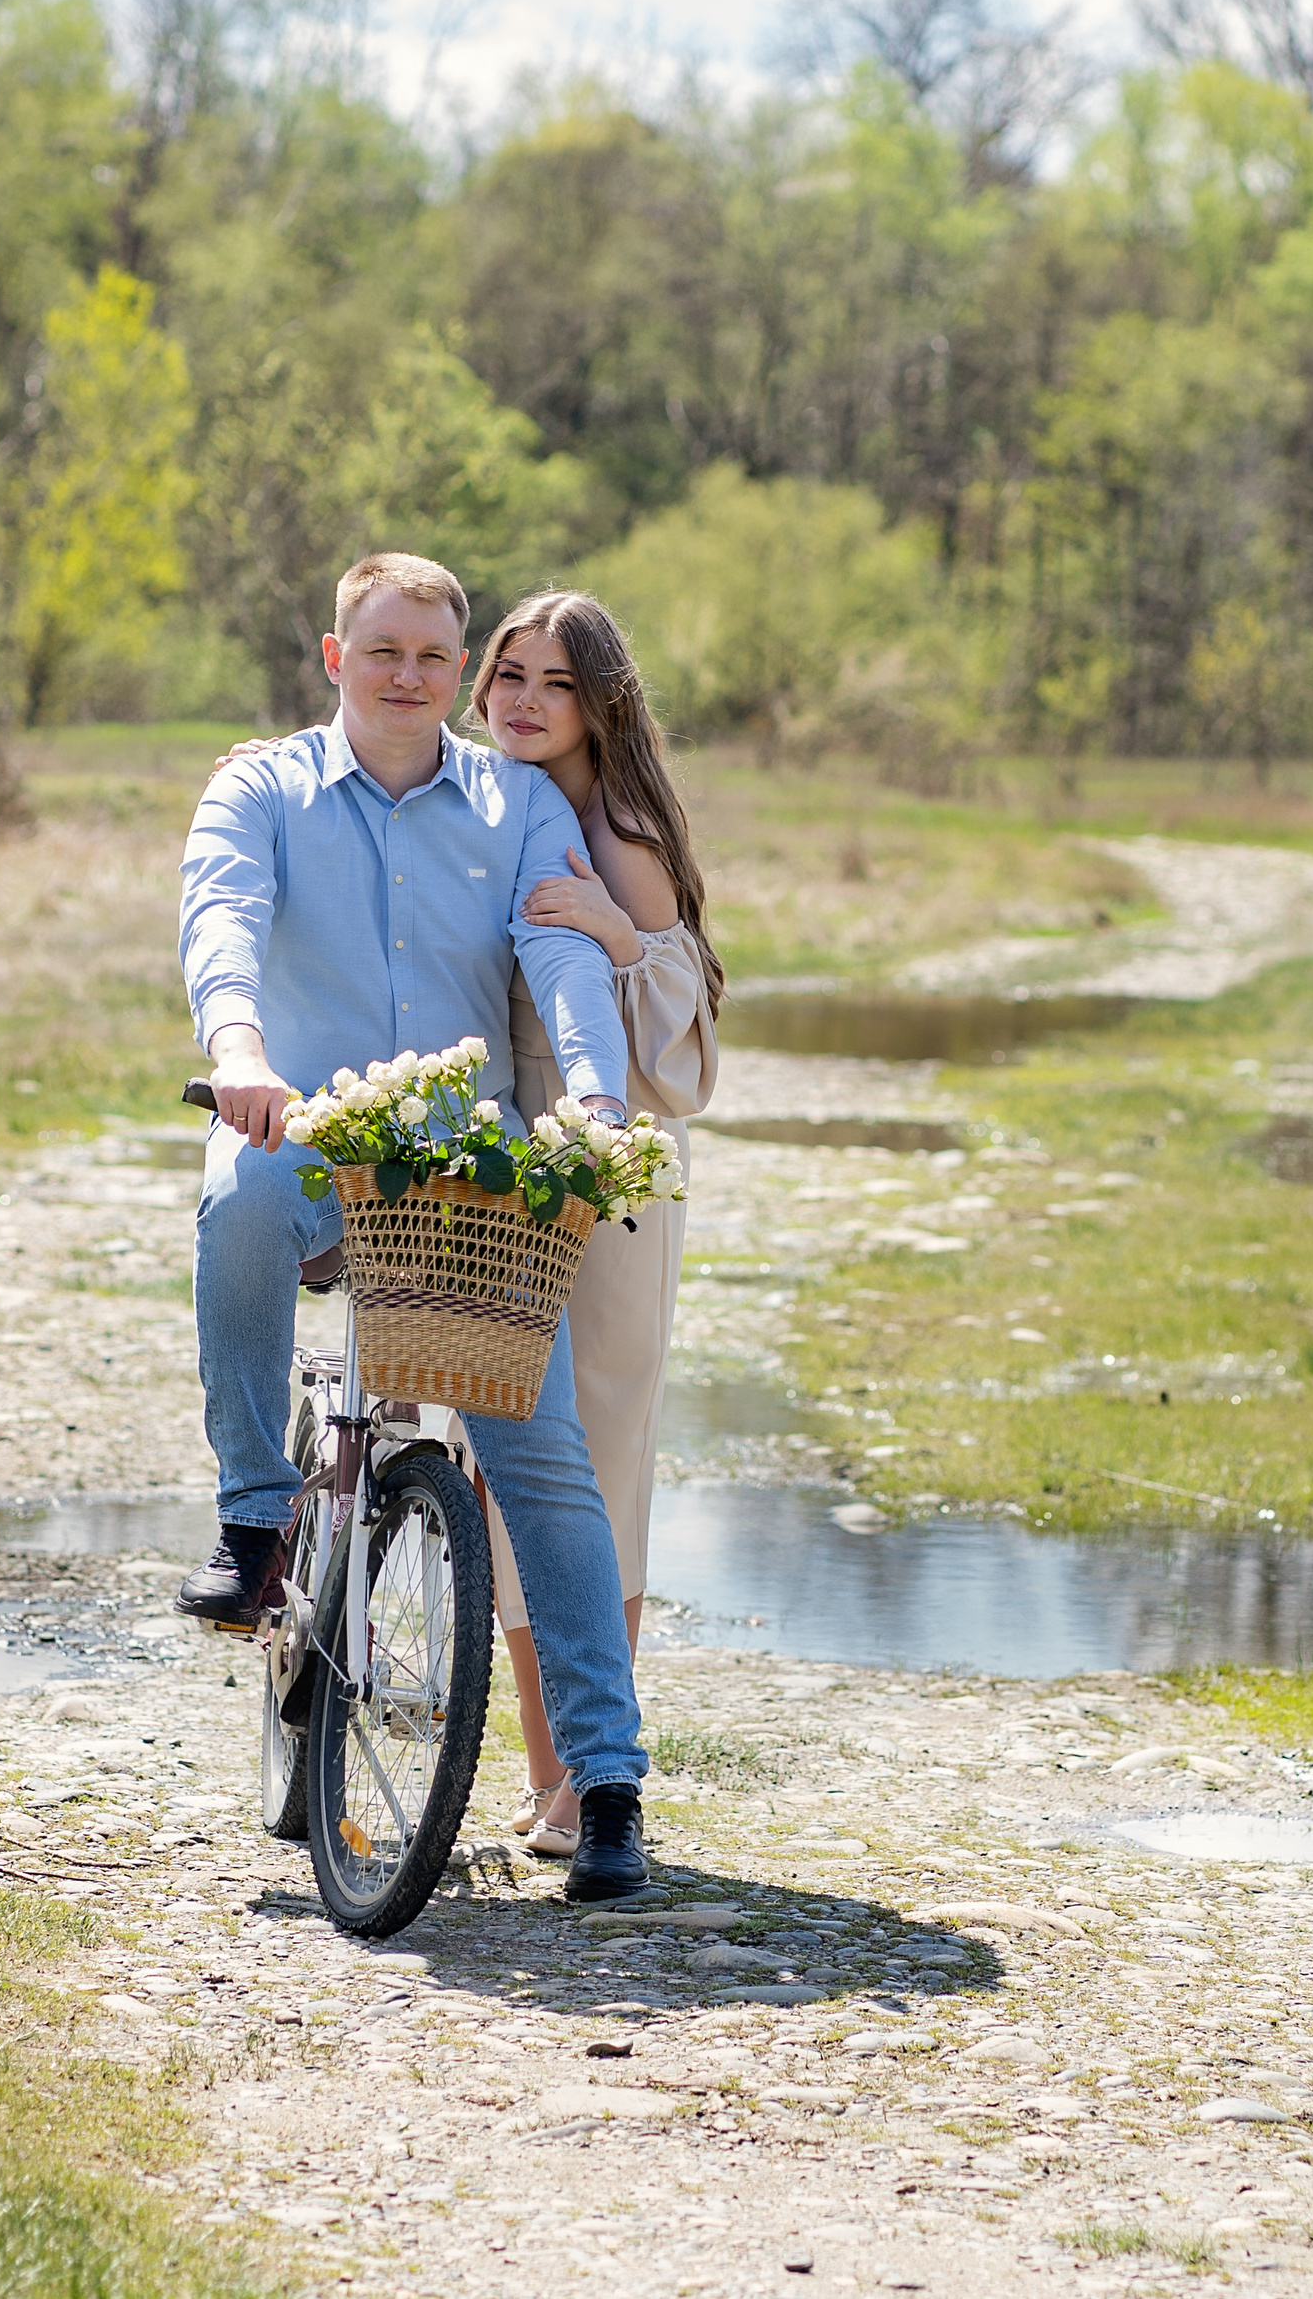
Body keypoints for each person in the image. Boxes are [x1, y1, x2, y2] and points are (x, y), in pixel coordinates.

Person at [174, 550, 651, 1903]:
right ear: (336, 656)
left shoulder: (517, 801)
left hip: (452, 1166)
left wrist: (598, 1098)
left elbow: (560, 951)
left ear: (460, 670)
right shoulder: (261, 787)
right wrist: (240, 1048)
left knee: (541, 1454)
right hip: (302, 1127)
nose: (408, 675)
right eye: (382, 650)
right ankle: (256, 1516)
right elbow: (222, 917)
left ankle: (605, 1784)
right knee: (238, 1193)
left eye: (435, 655)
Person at [470, 591, 721, 1857]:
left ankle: (587, 1771)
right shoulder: (489, 800)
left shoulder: (617, 828)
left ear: (601, 701)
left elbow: (685, 1052)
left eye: (556, 682)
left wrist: (622, 936)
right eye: (509, 673)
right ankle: (550, 1772)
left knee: (595, 1467)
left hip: (609, 1167)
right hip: (504, 1154)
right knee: (508, 1475)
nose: (524, 701)